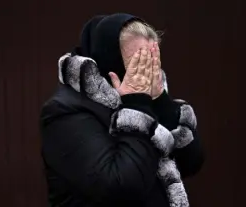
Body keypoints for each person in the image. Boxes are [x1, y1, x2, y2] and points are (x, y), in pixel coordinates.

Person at [40, 13, 204, 207]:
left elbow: (190, 162)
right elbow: (122, 185)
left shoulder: (144, 91)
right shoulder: (65, 112)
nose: (144, 72)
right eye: (137, 62)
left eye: (149, 61)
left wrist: (161, 102)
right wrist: (136, 107)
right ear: (109, 62)